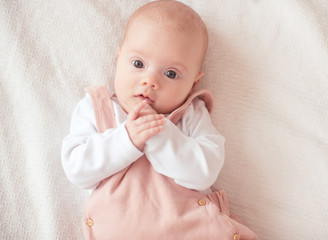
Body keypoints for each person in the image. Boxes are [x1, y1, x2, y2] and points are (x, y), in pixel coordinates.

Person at [61, 1, 258, 239]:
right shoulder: (98, 108)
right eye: (138, 64)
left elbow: (205, 170)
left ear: (194, 83)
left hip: (194, 228)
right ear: (118, 57)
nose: (150, 81)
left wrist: (160, 134)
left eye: (171, 74)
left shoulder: (190, 114)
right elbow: (76, 169)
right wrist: (127, 139)